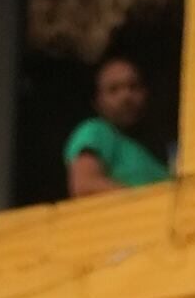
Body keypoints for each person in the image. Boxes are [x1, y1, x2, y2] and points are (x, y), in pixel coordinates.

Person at [65, 47, 169, 194]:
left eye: (133, 87)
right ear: (98, 101)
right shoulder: (95, 131)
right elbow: (85, 185)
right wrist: (141, 204)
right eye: (113, 90)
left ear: (145, 94)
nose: (126, 97)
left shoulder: (157, 155)